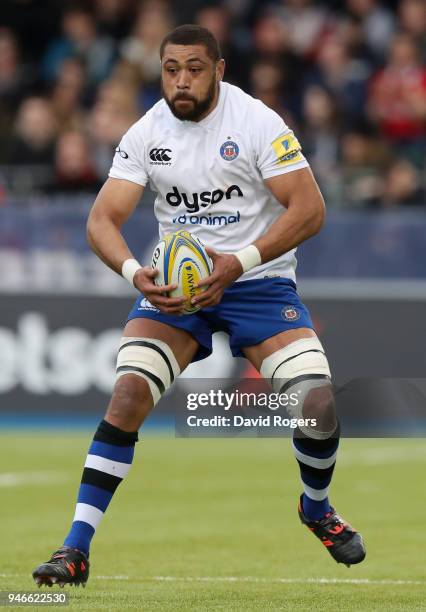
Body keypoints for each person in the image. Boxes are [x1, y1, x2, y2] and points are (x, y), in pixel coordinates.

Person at [32, 24, 366, 588]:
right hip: (177, 287)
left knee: (319, 405)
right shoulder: (146, 131)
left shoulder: (257, 122)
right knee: (128, 392)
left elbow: (309, 208)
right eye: (170, 69)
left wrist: (239, 262)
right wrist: (137, 272)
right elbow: (101, 220)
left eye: (193, 68)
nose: (181, 81)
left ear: (219, 70)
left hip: (257, 282)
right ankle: (75, 548)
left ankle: (315, 508)